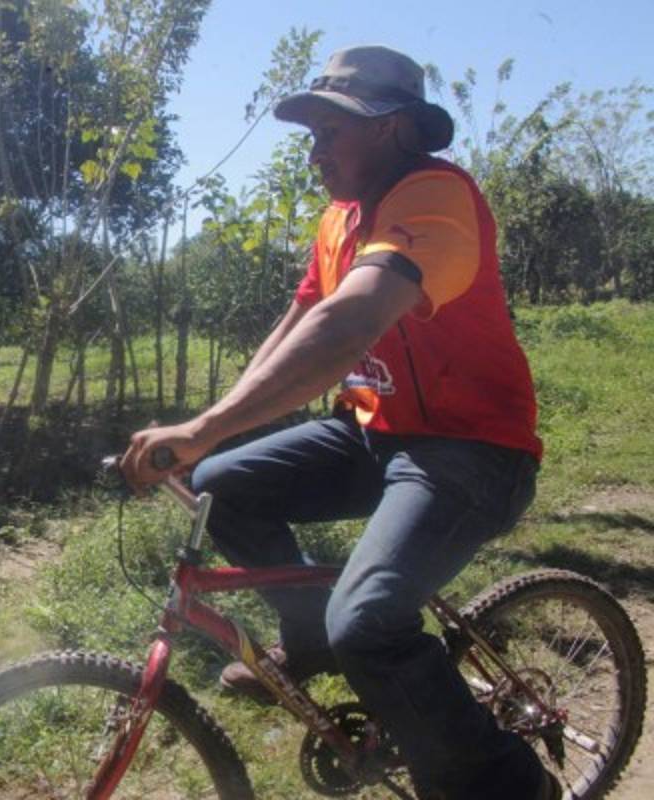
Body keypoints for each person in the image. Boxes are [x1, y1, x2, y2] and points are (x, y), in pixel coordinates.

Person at [120, 45, 554, 799]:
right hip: (375, 435)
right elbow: (298, 323)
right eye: (312, 135)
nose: (314, 152)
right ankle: (311, 643)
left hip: (472, 451)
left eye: (329, 132)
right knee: (226, 483)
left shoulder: (434, 202)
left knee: (371, 626)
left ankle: (512, 787)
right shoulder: (340, 218)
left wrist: (203, 427)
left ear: (389, 130)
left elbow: (348, 324)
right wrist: (207, 431)